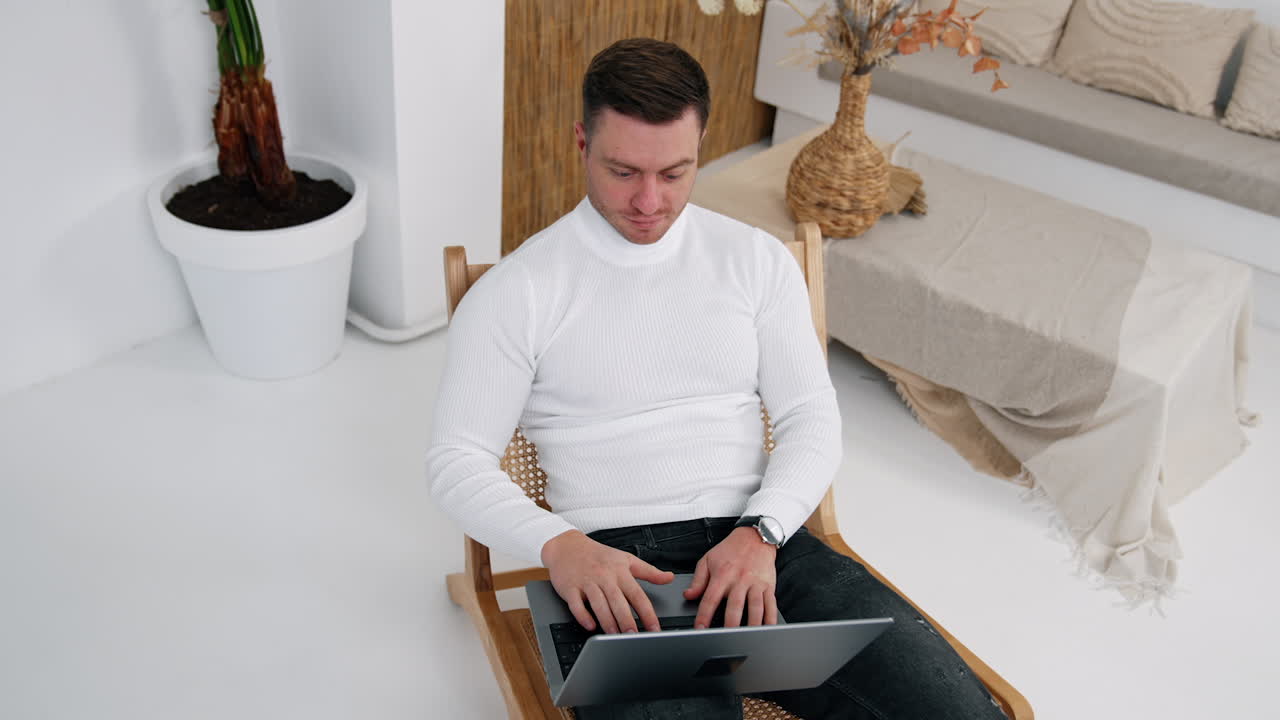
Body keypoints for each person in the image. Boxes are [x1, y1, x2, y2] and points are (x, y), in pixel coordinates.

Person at [427, 37, 1007, 720]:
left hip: (764, 544)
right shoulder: (520, 290)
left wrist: (762, 533)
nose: (649, 200)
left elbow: (810, 419)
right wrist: (559, 548)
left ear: (702, 144)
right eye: (623, 171)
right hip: (617, 570)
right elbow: (455, 462)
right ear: (581, 142)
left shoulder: (754, 261)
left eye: (675, 173)